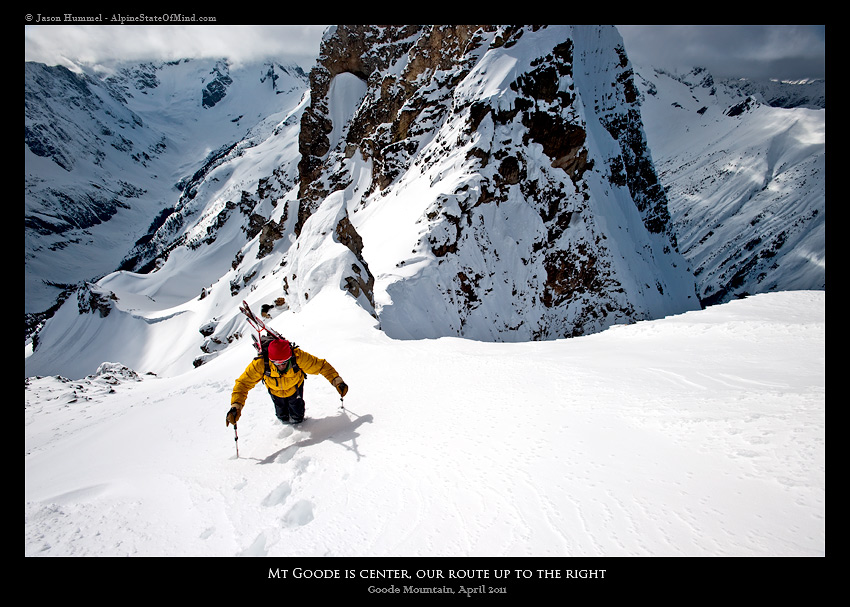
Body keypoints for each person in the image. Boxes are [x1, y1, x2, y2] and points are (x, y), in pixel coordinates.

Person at [226, 338, 347, 427]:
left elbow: (321, 366)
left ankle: (298, 422)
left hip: (295, 389)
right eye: (277, 363)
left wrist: (337, 381)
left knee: (297, 413)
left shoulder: (298, 357)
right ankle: (285, 422)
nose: (281, 366)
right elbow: (243, 383)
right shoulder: (262, 364)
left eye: (284, 362)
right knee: (281, 414)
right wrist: (236, 406)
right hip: (275, 392)